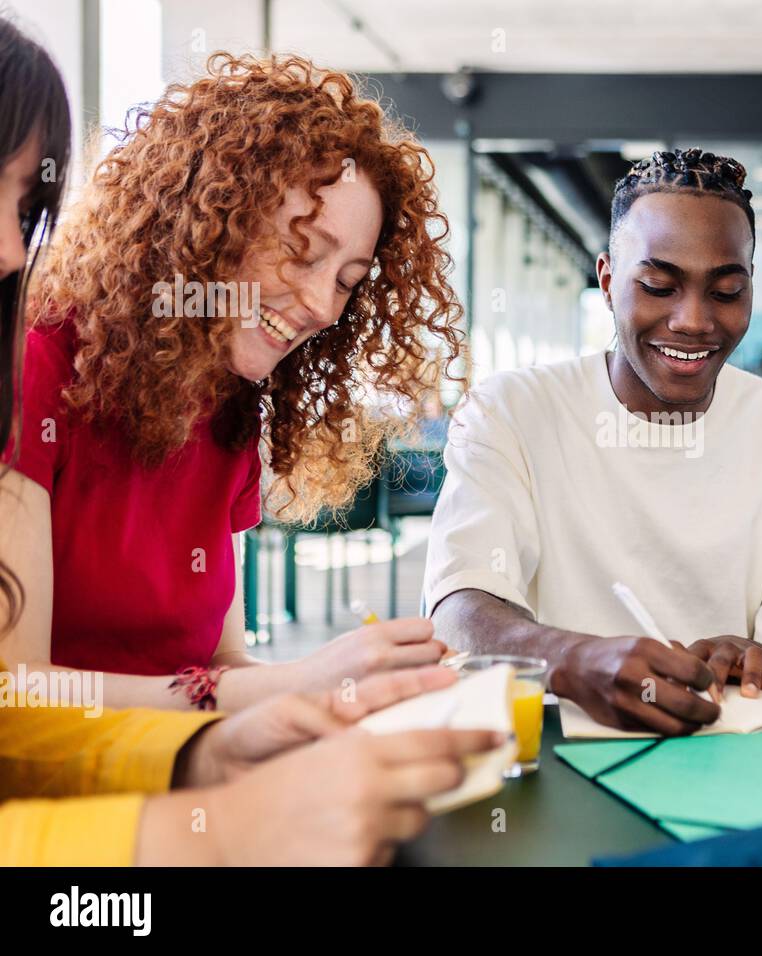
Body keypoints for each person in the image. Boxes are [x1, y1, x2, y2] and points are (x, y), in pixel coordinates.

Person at [0, 16, 500, 865]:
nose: (321, 306)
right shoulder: (38, 356)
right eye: (299, 255)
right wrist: (263, 701)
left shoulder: (230, 405)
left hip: (175, 795)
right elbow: (19, 696)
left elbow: (217, 662)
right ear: (205, 224)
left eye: (347, 281)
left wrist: (318, 691)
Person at [425, 148, 762, 735]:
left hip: (732, 755)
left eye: (727, 291)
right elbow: (460, 606)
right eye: (659, 285)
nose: (693, 320)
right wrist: (574, 659)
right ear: (608, 282)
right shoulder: (512, 410)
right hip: (557, 744)